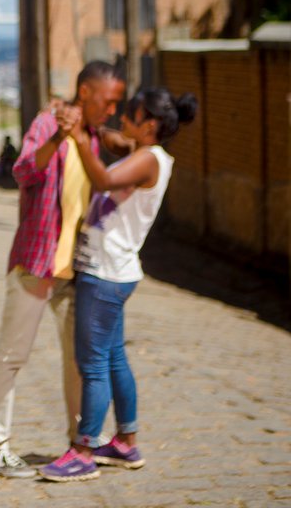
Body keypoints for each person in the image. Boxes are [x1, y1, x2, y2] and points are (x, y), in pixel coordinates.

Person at [38, 89, 197, 482]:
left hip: (105, 273)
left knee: (91, 363)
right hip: (113, 271)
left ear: (149, 124)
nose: (123, 119)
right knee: (112, 359)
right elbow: (113, 139)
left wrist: (78, 138)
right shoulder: (143, 151)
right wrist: (88, 126)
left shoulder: (148, 159)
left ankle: (83, 451)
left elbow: (104, 179)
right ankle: (125, 442)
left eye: (130, 115)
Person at [0, 61, 126, 478]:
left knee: (78, 361)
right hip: (37, 262)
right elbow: (23, 170)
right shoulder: (48, 123)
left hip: (76, 269)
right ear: (85, 92)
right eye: (107, 101)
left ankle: (81, 442)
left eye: (116, 103)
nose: (111, 109)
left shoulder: (91, 135)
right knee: (12, 355)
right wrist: (58, 136)